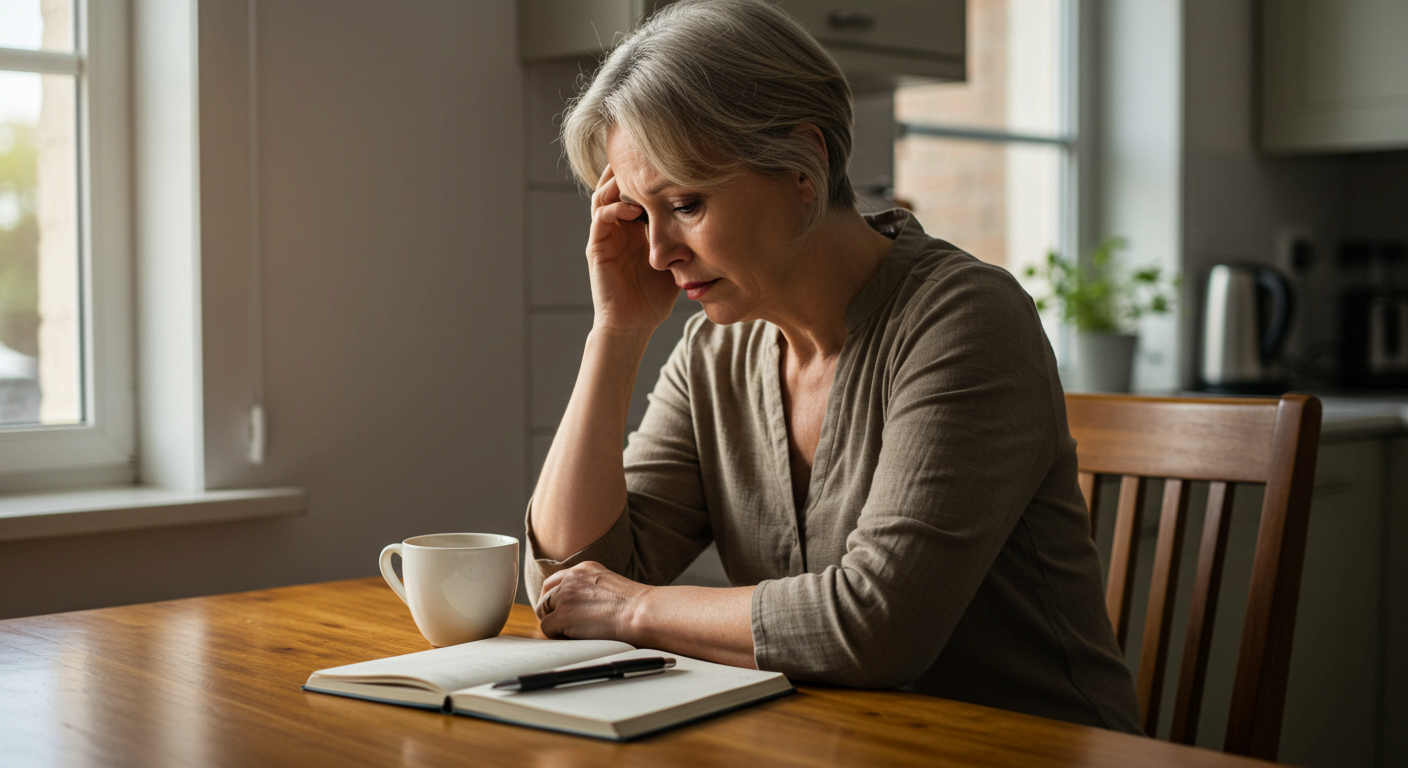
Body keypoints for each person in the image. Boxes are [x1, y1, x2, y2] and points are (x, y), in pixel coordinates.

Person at [524, 0, 1142, 734]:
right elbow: (567, 581)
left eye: (686, 203)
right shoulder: (712, 356)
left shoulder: (965, 319)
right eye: (637, 213)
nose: (657, 253)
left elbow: (876, 625)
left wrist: (633, 608)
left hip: (1026, 751)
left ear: (804, 166)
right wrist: (616, 332)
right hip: (833, 747)